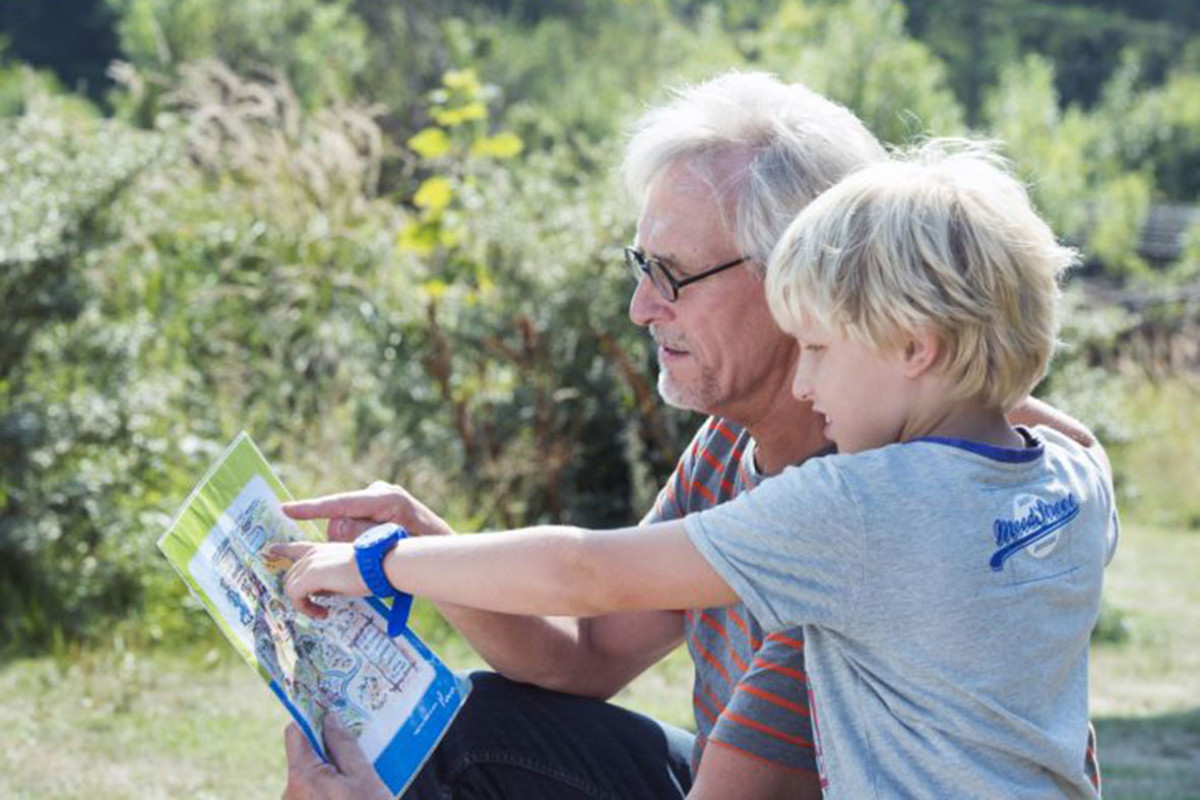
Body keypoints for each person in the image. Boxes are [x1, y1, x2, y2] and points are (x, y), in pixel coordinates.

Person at [280, 73, 1100, 799]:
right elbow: (590, 651)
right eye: (641, 266)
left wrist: (378, 563)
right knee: (470, 724)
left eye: (673, 274)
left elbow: (583, 572)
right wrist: (430, 549)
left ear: (797, 282)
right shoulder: (738, 446)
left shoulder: (850, 513)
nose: (641, 307)